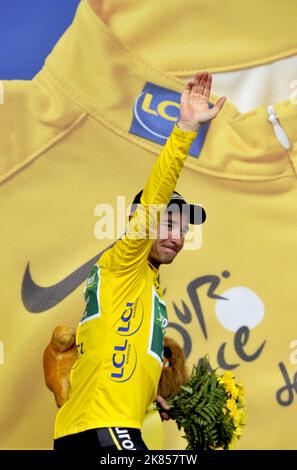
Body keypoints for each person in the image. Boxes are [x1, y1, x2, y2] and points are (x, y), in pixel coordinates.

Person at [53, 71, 226, 452]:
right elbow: (155, 197)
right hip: (103, 428)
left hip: (108, 427)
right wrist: (185, 129)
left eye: (183, 230)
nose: (176, 237)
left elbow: (119, 351)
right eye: (168, 223)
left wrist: (151, 397)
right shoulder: (125, 260)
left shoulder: (146, 285)